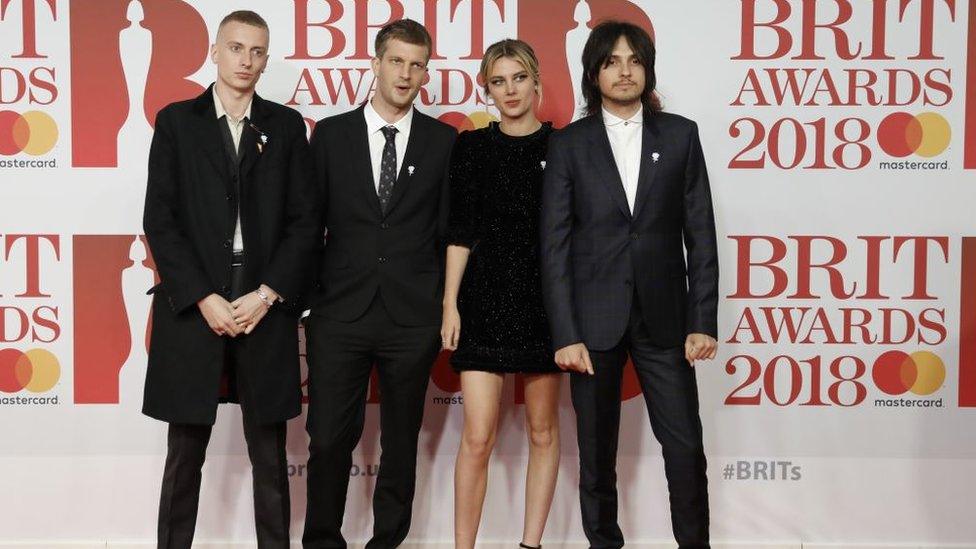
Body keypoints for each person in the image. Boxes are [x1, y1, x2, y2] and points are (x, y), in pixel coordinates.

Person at [142, 10, 319, 549]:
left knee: (270, 454)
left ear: (267, 59)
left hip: (263, 303)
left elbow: (305, 223)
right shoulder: (176, 122)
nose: (246, 60)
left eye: (257, 51)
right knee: (185, 452)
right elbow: (160, 219)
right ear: (215, 51)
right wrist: (200, 296)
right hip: (195, 306)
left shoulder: (287, 128)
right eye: (237, 48)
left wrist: (267, 295)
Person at [539, 20, 719, 549]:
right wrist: (565, 333)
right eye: (612, 61)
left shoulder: (681, 134)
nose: (624, 71)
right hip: (592, 324)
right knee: (596, 454)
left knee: (685, 446)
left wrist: (701, 320)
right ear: (593, 73)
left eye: (634, 60)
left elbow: (701, 234)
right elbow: (554, 246)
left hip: (665, 321)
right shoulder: (569, 144)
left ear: (648, 69)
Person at [302, 18, 457, 549]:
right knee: (327, 440)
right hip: (338, 314)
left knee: (400, 444)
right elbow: (307, 222)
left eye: (417, 65)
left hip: (412, 318)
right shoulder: (331, 134)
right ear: (374, 63)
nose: (406, 73)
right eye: (396, 61)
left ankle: (388, 542)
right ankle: (322, 540)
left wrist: (442, 304)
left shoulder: (443, 141)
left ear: (425, 74)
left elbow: (448, 231)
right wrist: (306, 302)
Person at [441, 39, 562, 549]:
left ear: (537, 82)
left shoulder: (565, 147)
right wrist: (449, 303)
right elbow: (460, 230)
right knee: (476, 436)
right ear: (486, 89)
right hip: (482, 300)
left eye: (518, 78)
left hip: (545, 304)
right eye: (498, 81)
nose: (510, 90)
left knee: (542, 431)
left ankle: (530, 544)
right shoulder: (471, 146)